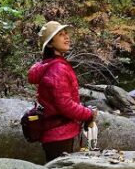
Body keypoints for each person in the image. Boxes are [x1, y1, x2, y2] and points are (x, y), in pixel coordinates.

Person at [28, 21, 97, 161]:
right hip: (60, 135)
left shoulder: (49, 66)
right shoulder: (57, 69)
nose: (67, 37)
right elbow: (65, 105)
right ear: (50, 44)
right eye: (60, 35)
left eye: (66, 34)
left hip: (54, 134)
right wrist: (88, 113)